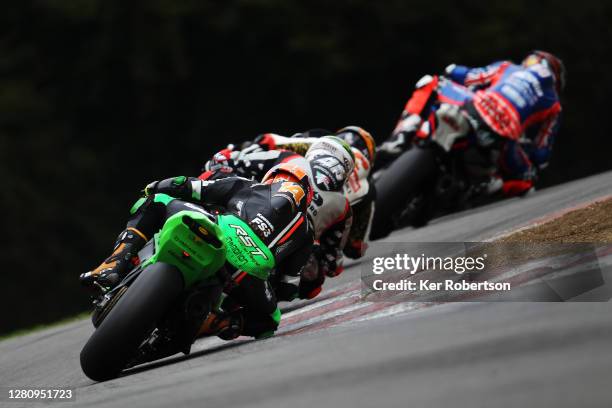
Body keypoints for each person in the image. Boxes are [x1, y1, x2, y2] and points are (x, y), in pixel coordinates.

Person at [80, 165, 313, 340]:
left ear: (271, 177)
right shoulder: (307, 233)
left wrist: (155, 186)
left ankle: (114, 263)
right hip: (247, 273)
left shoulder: (250, 185)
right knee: (268, 323)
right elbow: (290, 286)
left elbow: (188, 185)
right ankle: (218, 321)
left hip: (220, 234)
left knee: (156, 201)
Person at [203, 135, 356, 300]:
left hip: (251, 210)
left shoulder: (289, 157)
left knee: (214, 183)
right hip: (286, 247)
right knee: (314, 282)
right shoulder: (344, 207)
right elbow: (334, 265)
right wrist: (318, 248)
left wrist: (226, 168)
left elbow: (241, 162)